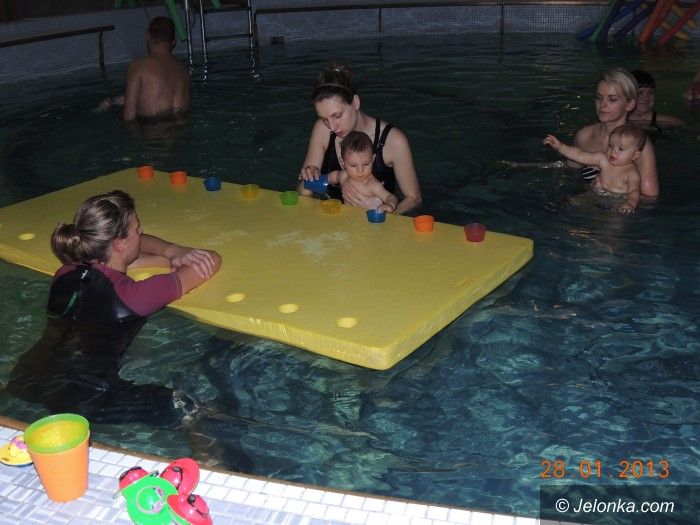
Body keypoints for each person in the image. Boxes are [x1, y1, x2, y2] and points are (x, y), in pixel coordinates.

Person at [6, 190, 221, 425]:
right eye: (137, 230)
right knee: (190, 408)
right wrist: (177, 252)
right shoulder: (135, 296)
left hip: (26, 379)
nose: (141, 233)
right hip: (83, 398)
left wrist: (171, 253)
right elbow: (210, 261)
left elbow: (127, 258)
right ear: (118, 244)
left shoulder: (66, 271)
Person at [299, 62, 421, 215]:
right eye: (324, 119)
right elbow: (303, 194)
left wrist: (380, 214)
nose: (332, 127)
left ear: (355, 102)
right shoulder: (322, 130)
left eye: (337, 115)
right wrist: (310, 177)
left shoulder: (393, 141)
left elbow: (414, 199)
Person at [571, 67, 658, 198]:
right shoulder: (584, 136)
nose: (602, 104)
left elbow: (649, 198)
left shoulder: (640, 145)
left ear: (629, 105)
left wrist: (609, 193)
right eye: (599, 98)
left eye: (612, 99)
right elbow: (569, 175)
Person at [96, 17, 190, 120]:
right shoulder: (183, 69)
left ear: (147, 35)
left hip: (153, 128)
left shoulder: (139, 66)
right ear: (174, 41)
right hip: (181, 129)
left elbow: (129, 116)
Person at [544, 124, 644, 214]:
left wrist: (630, 203)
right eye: (610, 146)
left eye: (621, 149)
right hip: (593, 195)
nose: (613, 151)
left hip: (616, 203)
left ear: (635, 155)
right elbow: (580, 155)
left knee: (613, 223)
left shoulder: (631, 173)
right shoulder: (603, 159)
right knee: (571, 203)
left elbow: (634, 191)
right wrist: (560, 147)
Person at [304, 130, 399, 212]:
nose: (360, 170)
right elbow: (328, 179)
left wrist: (390, 205)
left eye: (366, 164)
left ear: (373, 159)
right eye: (353, 165)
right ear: (343, 162)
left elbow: (390, 197)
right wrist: (313, 178)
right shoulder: (343, 175)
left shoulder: (372, 184)